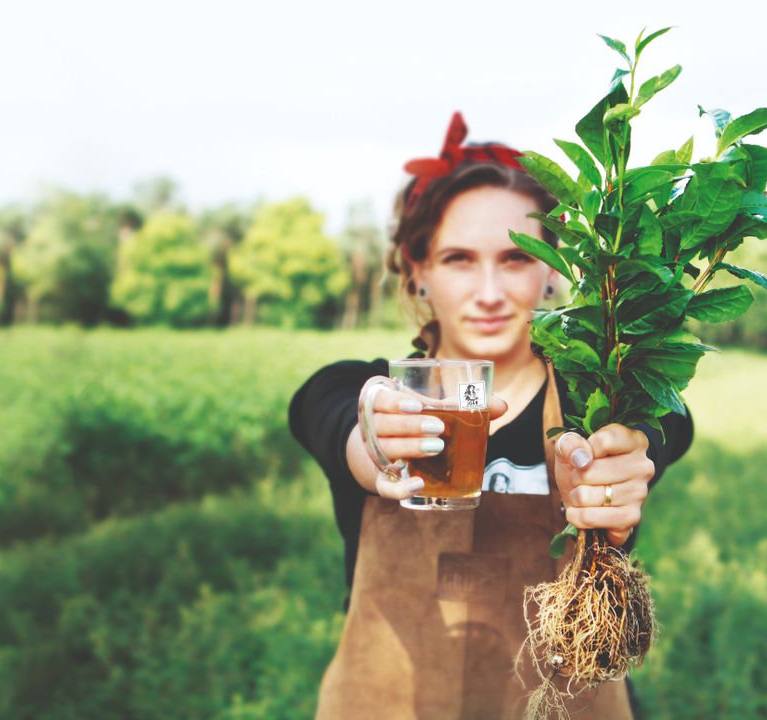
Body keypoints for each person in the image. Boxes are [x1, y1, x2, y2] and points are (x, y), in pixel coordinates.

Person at [288, 111, 694, 719]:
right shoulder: (367, 392)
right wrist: (368, 438)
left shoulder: (597, 405)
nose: (488, 292)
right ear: (417, 269)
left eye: (514, 258)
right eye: (457, 258)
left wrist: (628, 456)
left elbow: (665, 426)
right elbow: (325, 407)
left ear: (552, 268)